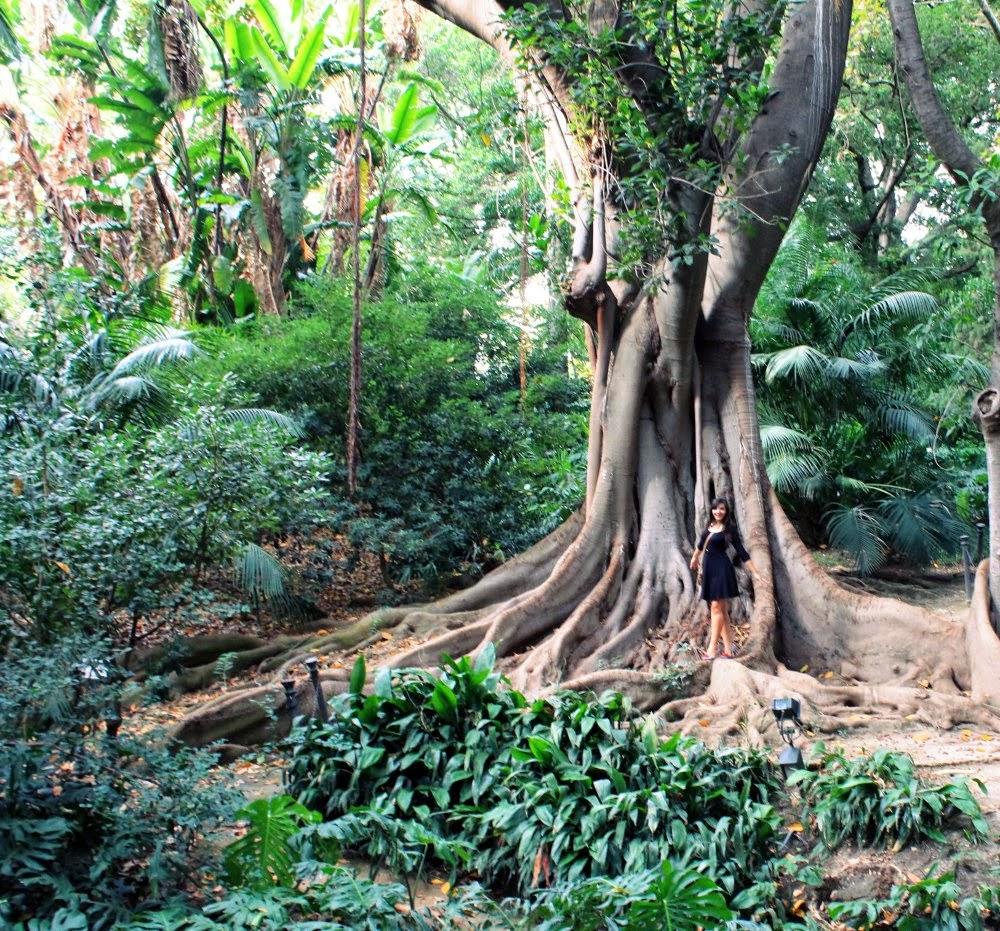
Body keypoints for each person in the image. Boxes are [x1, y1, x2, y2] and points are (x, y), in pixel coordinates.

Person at [689, 497, 758, 659]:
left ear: (726, 511)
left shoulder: (729, 529)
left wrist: (754, 571)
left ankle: (712, 649)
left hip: (722, 570)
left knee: (716, 608)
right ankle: (728, 650)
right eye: (715, 508)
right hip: (710, 570)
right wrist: (694, 558)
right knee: (722, 611)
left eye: (721, 509)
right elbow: (700, 545)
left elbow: (741, 551)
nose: (718, 511)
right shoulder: (709, 526)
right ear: (712, 510)